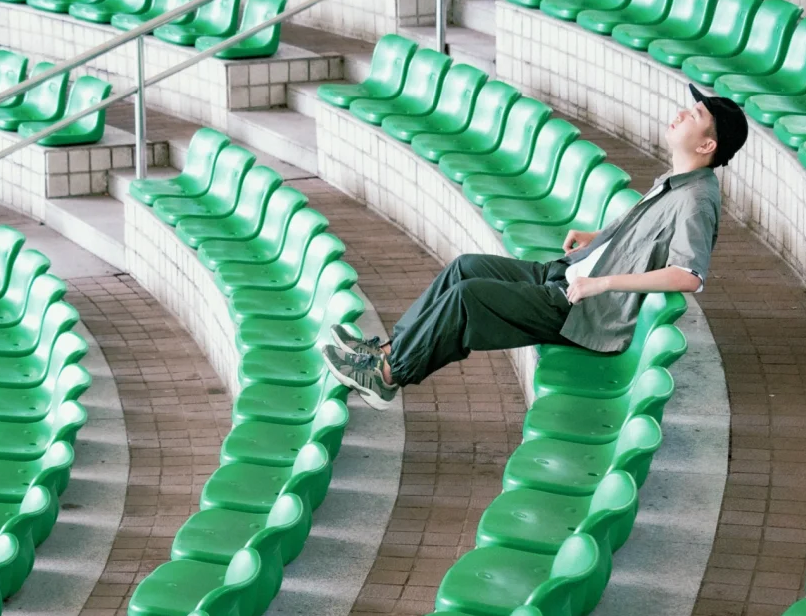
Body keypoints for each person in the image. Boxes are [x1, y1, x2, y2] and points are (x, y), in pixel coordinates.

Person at [321, 86, 748, 409]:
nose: (680, 114)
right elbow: (641, 240)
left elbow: (689, 276)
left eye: (693, 115)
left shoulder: (697, 200)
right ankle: (388, 350)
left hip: (581, 312)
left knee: (469, 299)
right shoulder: (675, 181)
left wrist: (603, 283)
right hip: (565, 274)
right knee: (464, 268)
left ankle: (389, 375)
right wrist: (597, 239)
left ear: (707, 145)